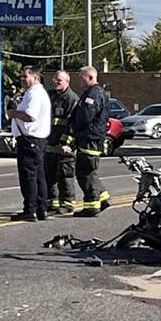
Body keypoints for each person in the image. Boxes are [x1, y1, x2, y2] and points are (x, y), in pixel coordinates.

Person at [64, 66, 110, 217]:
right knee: (90, 171)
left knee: (85, 173)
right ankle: (102, 197)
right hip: (90, 137)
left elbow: (85, 116)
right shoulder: (95, 93)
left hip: (89, 138)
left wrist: (77, 134)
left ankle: (91, 206)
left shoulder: (93, 94)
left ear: (90, 77)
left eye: (81, 77)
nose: (79, 80)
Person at [8, 66, 51, 222]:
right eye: (21, 77)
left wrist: (13, 114)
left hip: (30, 139)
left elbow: (30, 116)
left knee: (29, 176)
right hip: (34, 140)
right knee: (38, 175)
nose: (22, 79)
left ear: (35, 78)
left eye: (26, 76)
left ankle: (30, 209)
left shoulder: (35, 93)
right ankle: (41, 209)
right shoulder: (32, 93)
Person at [46, 71, 79, 215]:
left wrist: (65, 143)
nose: (55, 82)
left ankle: (67, 203)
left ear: (67, 81)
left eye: (59, 80)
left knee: (65, 175)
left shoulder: (72, 99)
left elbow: (74, 124)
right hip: (49, 142)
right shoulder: (51, 96)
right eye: (54, 79)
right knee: (49, 174)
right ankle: (51, 202)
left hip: (64, 144)